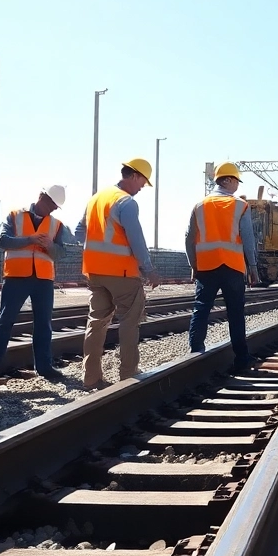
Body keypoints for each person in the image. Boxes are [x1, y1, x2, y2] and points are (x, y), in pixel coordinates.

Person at [75, 158, 161, 389]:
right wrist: (149, 270)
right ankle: (128, 375)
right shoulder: (126, 202)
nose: (143, 186)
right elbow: (137, 240)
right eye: (143, 180)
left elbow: (79, 231)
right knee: (129, 322)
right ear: (133, 176)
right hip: (122, 273)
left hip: (95, 271)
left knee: (96, 322)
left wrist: (97, 253)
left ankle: (91, 377)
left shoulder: (96, 199)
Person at [0, 185, 72, 382]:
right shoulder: (14, 216)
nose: (53, 209)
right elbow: (2, 241)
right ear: (41, 197)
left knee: (44, 324)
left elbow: (61, 253)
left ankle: (45, 367)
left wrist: (50, 246)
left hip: (43, 279)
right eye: (51, 204)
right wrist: (30, 239)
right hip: (16, 277)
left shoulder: (57, 225)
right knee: (5, 321)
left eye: (56, 206)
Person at [186, 162, 260, 372]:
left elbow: (188, 238)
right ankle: (242, 359)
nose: (237, 185)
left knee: (201, 309)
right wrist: (252, 266)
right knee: (236, 312)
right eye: (236, 180)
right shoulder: (240, 205)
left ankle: (195, 353)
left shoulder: (199, 205)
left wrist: (194, 264)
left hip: (207, 266)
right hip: (232, 267)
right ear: (227, 180)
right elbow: (247, 237)